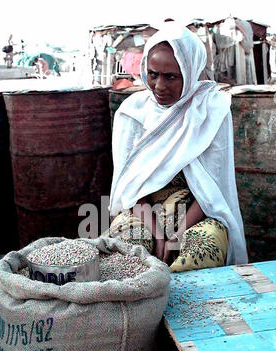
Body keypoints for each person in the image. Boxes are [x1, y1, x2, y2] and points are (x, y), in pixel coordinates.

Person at [105, 23, 248, 272]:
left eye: (171, 76)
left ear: (190, 73)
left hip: (197, 214)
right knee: (126, 251)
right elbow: (131, 188)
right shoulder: (132, 113)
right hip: (144, 213)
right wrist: (159, 234)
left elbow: (213, 188)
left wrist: (177, 236)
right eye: (152, 74)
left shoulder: (210, 110)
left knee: (201, 251)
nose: (159, 86)